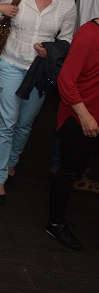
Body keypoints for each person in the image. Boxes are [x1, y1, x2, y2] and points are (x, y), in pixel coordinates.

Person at [0, 0, 76, 204]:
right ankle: (0, 177)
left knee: (25, 123)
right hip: (10, 65)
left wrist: (50, 50)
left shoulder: (68, 5)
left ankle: (12, 160)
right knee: (7, 123)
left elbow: (67, 39)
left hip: (39, 71)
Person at [46, 17, 99, 250]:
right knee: (69, 172)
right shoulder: (89, 35)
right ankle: (55, 223)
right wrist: (85, 117)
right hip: (80, 117)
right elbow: (66, 80)